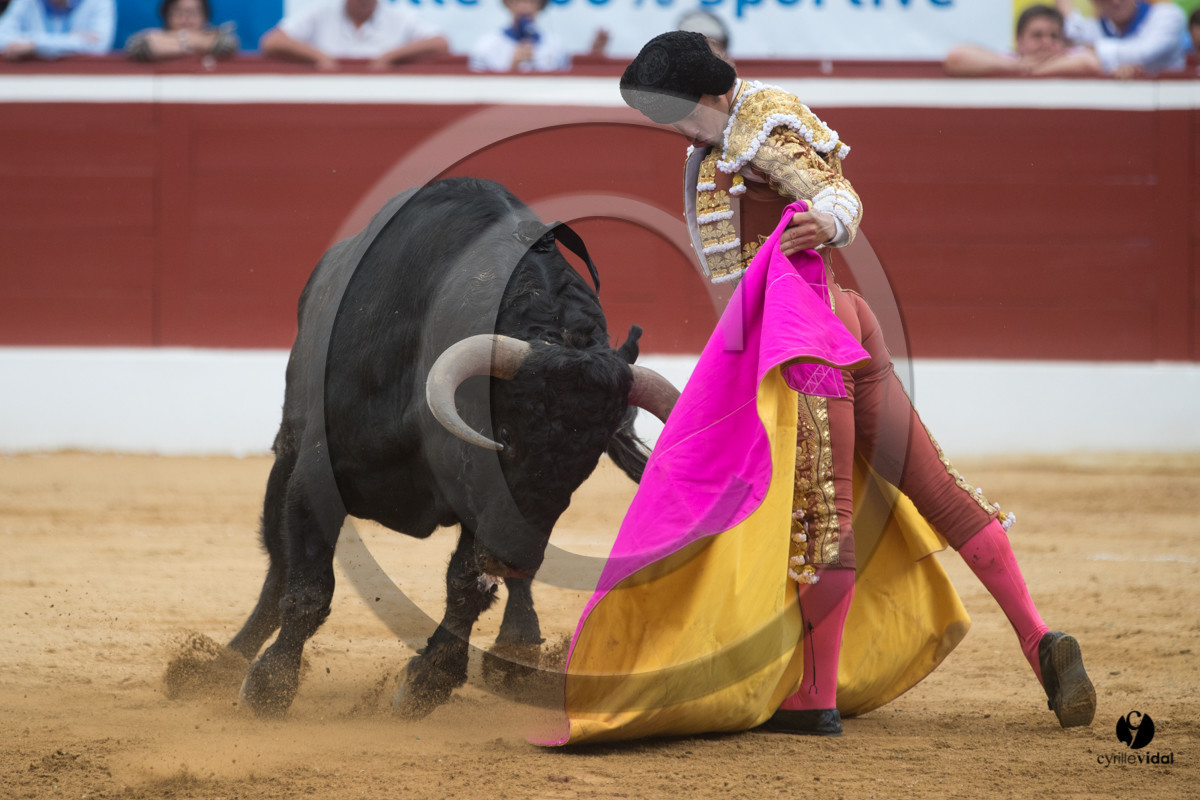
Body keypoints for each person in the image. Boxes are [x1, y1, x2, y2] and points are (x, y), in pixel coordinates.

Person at [590, 31, 1098, 739]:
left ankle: (814, 699)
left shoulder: (757, 126)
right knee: (938, 489)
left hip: (804, 339)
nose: (671, 129)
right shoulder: (721, 140)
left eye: (675, 113)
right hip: (841, 321)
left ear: (709, 91)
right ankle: (1037, 637)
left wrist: (823, 222)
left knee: (821, 514)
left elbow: (836, 195)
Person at [259, 0, 448, 71]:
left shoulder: (399, 17)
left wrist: (389, 57)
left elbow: (440, 43)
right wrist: (320, 58)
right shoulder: (321, 13)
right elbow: (271, 41)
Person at [944, 4, 1103, 77]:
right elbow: (957, 57)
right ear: (1019, 41)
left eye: (1054, 36)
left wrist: (1033, 71)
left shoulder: (1072, 57)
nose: (1046, 42)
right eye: (1037, 35)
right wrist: (1018, 65)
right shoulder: (1009, 59)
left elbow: (1090, 63)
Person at [1057, 0, 1187, 77]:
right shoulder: (1094, 28)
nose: (1115, 2)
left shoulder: (1167, 15)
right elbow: (1071, 33)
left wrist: (1093, 50)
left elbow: (1142, 53)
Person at [467, 0, 570, 73]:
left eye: (531, 1)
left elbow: (566, 88)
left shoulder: (555, 45)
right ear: (507, 3)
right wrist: (512, 69)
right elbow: (476, 88)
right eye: (518, 1)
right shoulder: (486, 46)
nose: (524, 7)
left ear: (540, 5)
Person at [124, 0, 238, 62]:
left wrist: (165, 43)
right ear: (166, 15)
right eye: (179, 12)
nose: (186, 19)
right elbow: (136, 47)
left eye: (193, 12)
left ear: (205, 16)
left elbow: (229, 45)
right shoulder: (151, 34)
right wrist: (200, 43)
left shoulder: (219, 36)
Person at [0, 0, 114, 60]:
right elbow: (2, 38)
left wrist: (35, 45)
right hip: (31, 80)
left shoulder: (99, 1)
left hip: (79, 81)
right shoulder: (24, 2)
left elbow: (99, 45)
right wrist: (74, 40)